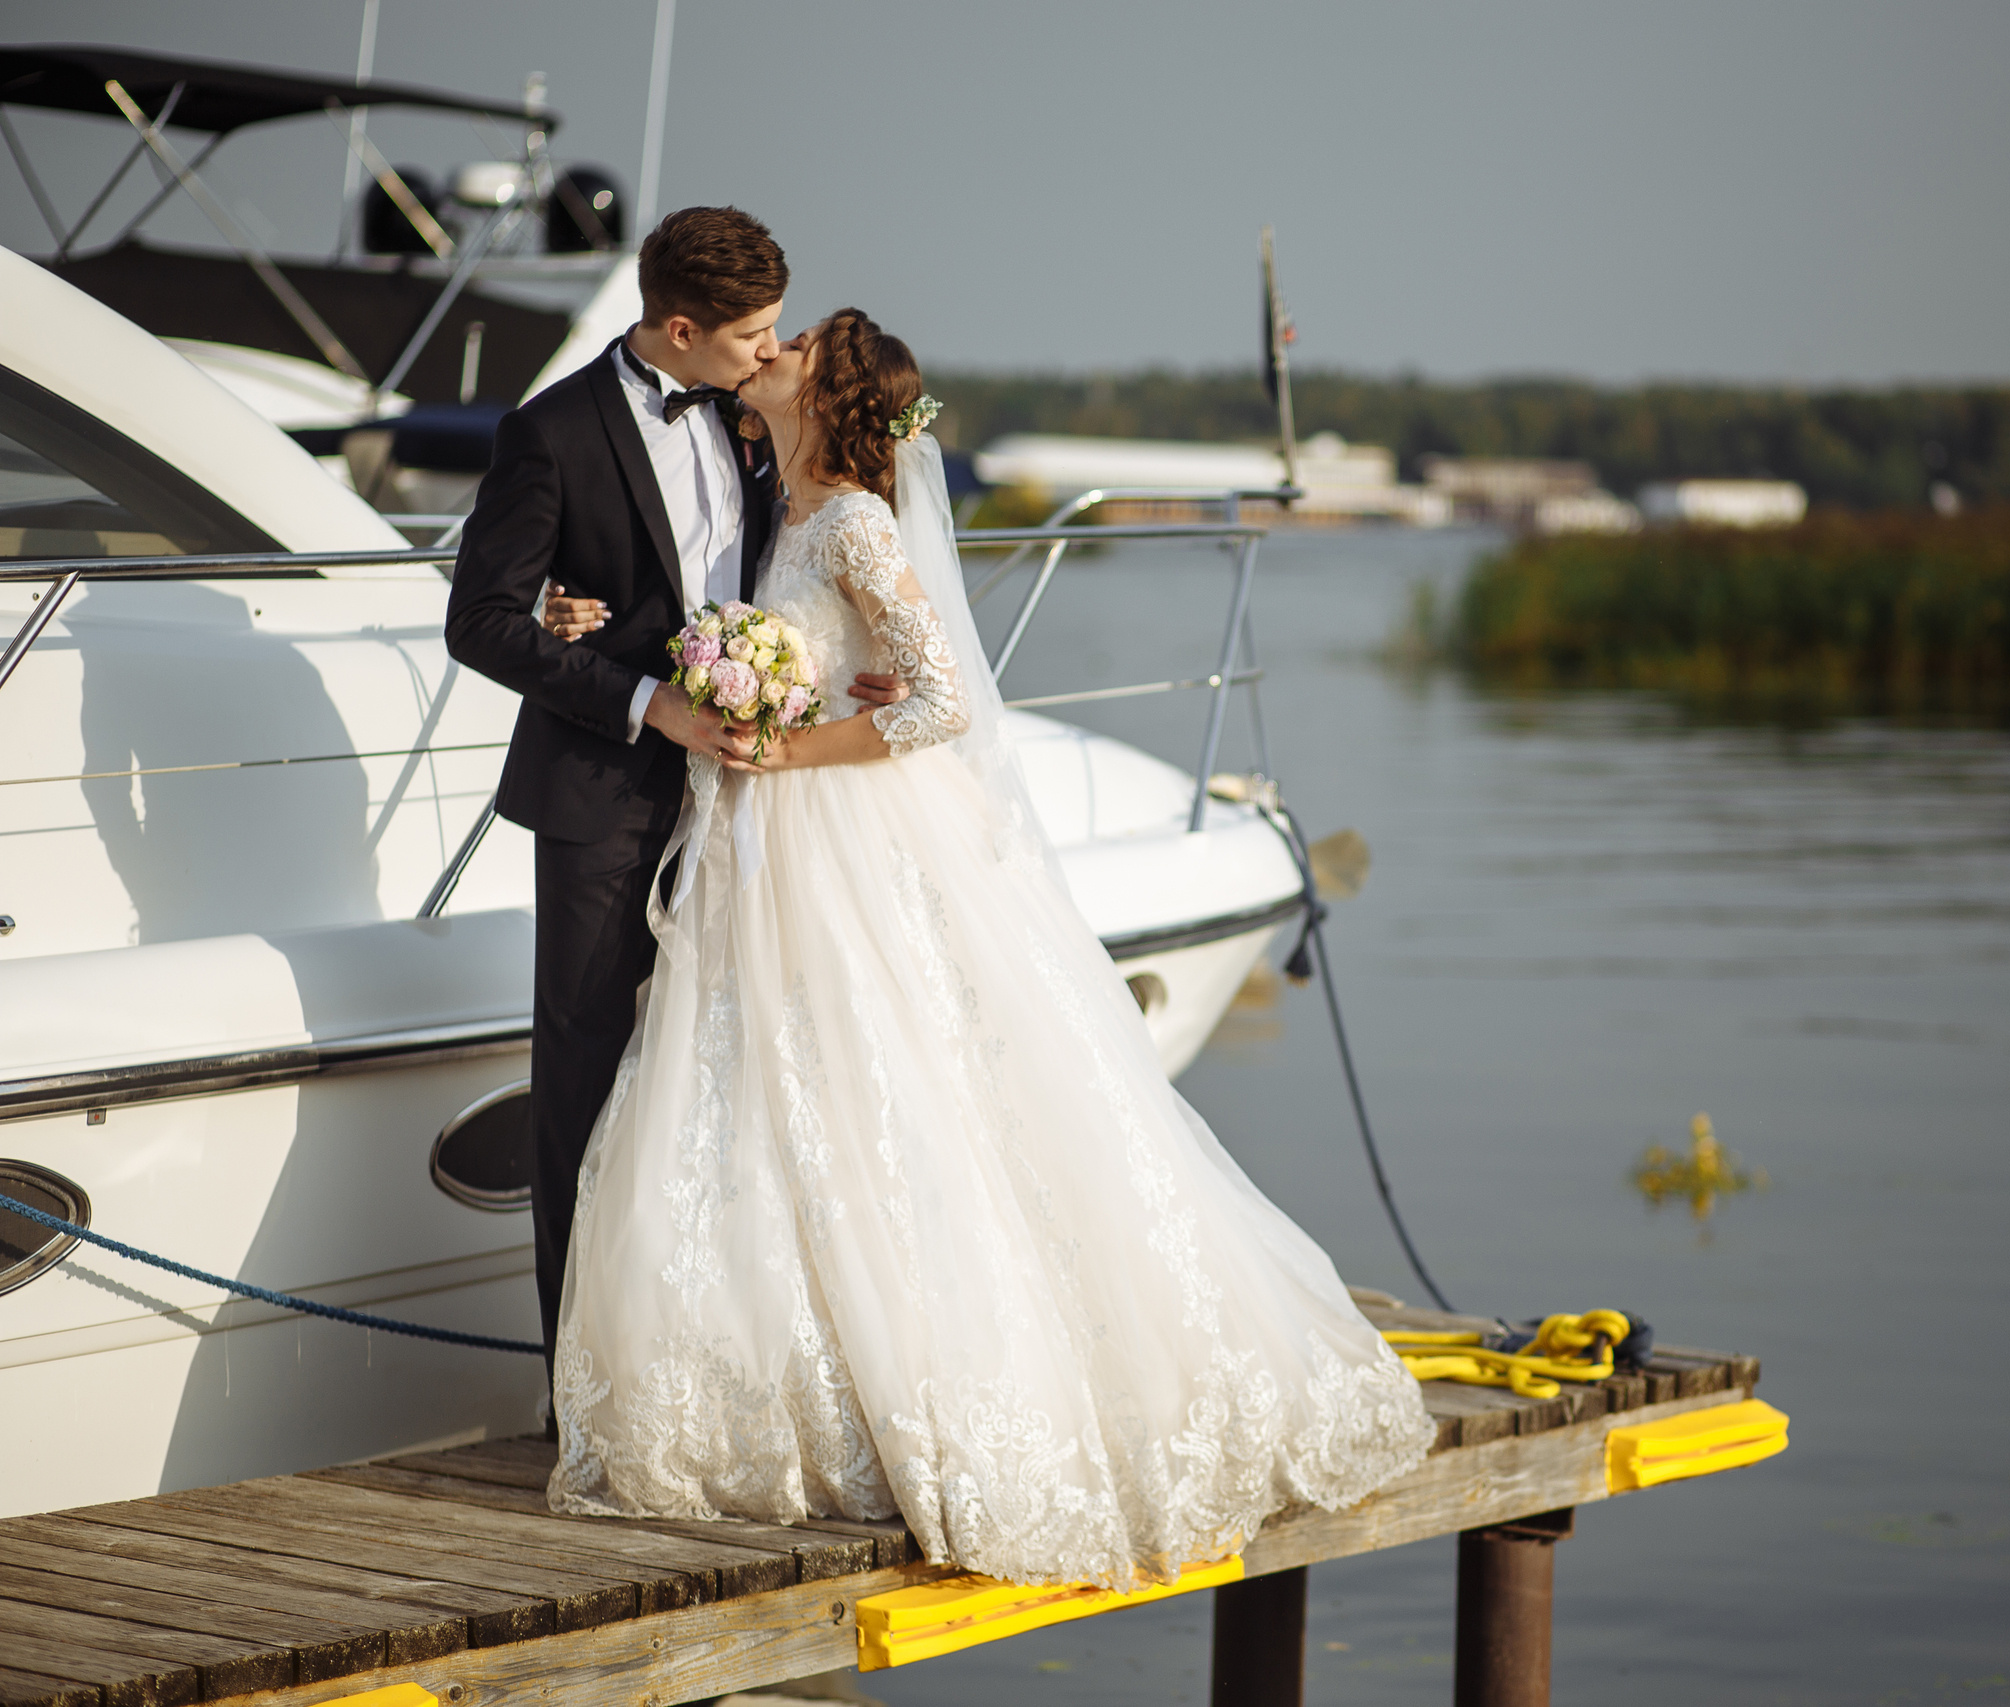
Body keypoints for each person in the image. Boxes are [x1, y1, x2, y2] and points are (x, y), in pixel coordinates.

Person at [540, 307, 1434, 1588]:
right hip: (760, 839)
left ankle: (931, 1382)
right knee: (760, 1097)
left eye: (790, 349)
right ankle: (787, 1389)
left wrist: (790, 745)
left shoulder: (849, 520)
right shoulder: (771, 502)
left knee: (870, 1084)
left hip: (828, 830)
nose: (768, 356)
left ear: (828, 391)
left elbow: (943, 698)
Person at [444, 208, 904, 1380]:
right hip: (603, 793)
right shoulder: (548, 434)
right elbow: (481, 623)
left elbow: (795, 566)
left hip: (752, 805)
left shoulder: (756, 425)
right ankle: (583, 1387)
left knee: (735, 1078)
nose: (769, 349)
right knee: (588, 1080)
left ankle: (722, 1364)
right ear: (681, 326)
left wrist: (853, 665)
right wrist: (641, 694)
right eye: (748, 333)